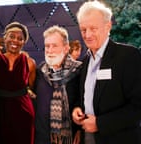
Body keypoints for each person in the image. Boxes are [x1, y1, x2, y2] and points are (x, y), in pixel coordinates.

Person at [72, 1, 141, 144]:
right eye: (83, 29)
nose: (88, 35)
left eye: (93, 28)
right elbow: (85, 96)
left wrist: (100, 123)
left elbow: (137, 107)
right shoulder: (85, 62)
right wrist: (77, 109)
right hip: (89, 138)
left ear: (108, 26)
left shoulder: (128, 56)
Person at [0, 21, 36, 144]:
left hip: (24, 113)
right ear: (5, 38)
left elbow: (31, 85)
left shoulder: (29, 63)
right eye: (12, 36)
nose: (15, 41)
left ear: (23, 42)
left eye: (20, 38)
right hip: (1, 111)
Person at [34, 25, 82, 144]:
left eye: (54, 46)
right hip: (42, 136)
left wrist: (80, 130)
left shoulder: (79, 70)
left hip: (71, 137)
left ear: (66, 48)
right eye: (47, 46)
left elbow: (83, 101)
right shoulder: (40, 71)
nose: (49, 50)